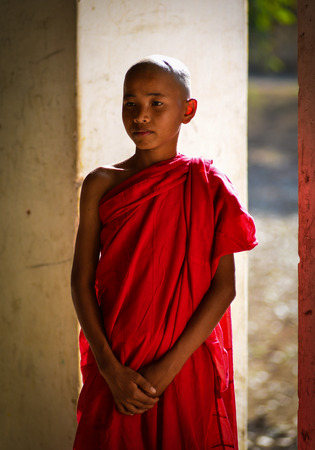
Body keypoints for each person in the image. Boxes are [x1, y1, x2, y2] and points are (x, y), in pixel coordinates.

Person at [71, 55, 257, 450]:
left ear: (187, 111)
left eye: (157, 103)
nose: (141, 115)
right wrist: (110, 369)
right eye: (130, 103)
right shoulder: (102, 183)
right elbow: (81, 281)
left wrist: (167, 369)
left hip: (183, 362)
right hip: (118, 359)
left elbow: (224, 288)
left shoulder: (207, 186)